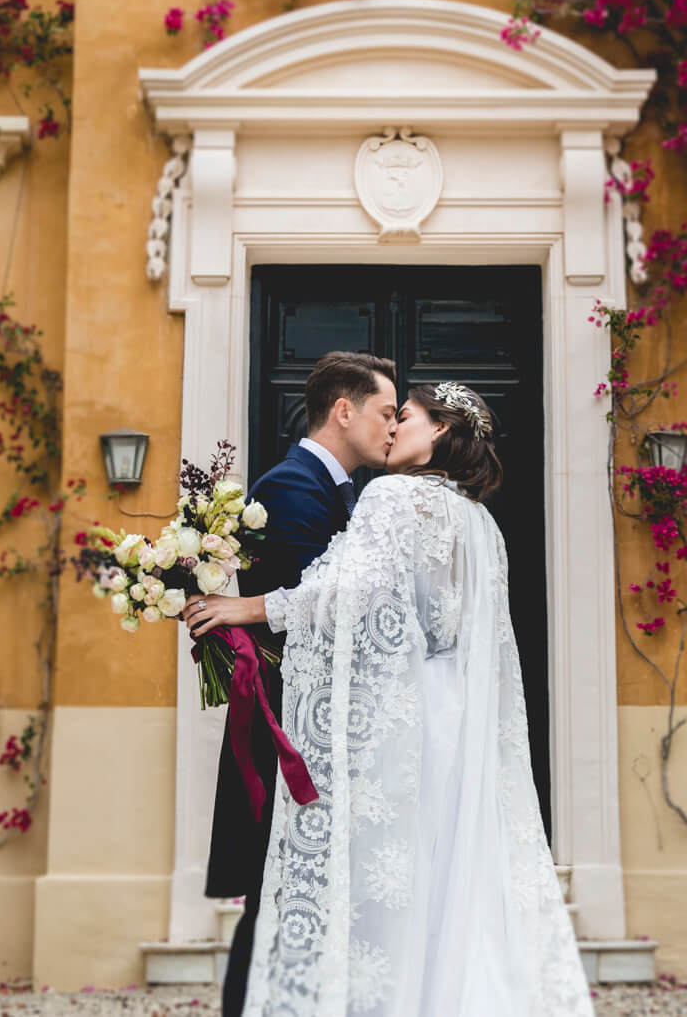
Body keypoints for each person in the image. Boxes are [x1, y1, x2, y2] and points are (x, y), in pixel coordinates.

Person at [186, 382, 591, 1017]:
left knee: (389, 882)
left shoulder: (395, 496)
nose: (394, 429)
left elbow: (348, 591)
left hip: (402, 722)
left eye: (406, 417)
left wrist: (248, 606)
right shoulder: (478, 520)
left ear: (440, 433)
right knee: (451, 875)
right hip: (459, 719)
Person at [199, 351, 399, 1017]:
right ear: (344, 410)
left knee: (294, 891)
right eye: (385, 412)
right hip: (290, 729)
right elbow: (312, 621)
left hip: (311, 729)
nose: (394, 428)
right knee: (276, 892)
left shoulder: (332, 488)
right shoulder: (292, 489)